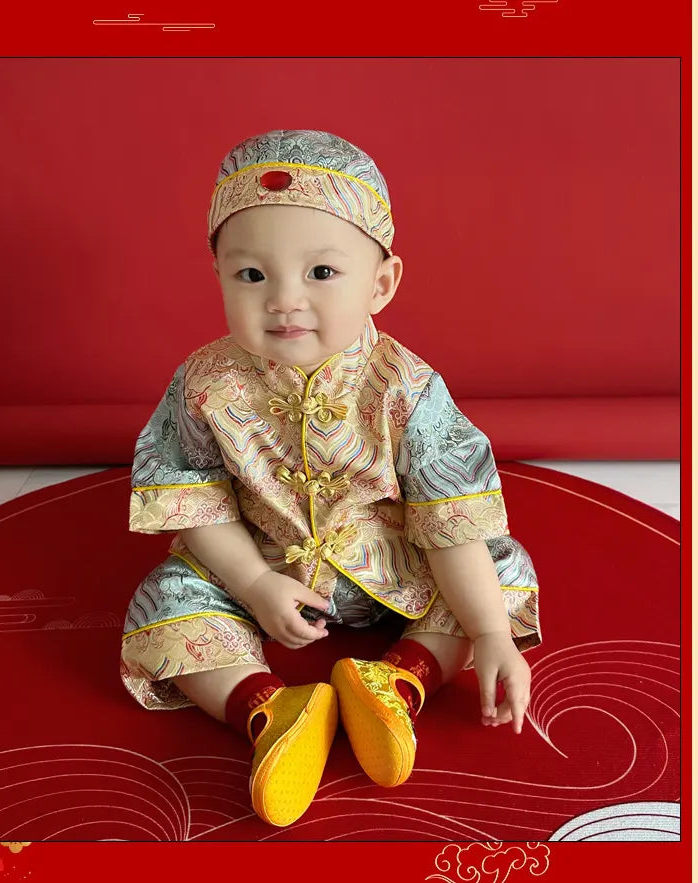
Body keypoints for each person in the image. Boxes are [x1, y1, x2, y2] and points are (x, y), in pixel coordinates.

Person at [120, 129, 541, 828]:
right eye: (251, 276)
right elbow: (191, 494)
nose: (284, 300)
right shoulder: (205, 382)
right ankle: (268, 705)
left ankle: (398, 678)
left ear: (381, 283)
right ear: (219, 274)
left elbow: (450, 517)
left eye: (321, 273)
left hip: (396, 564)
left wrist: (491, 634)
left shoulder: (406, 388)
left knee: (499, 570)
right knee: (164, 598)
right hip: (258, 562)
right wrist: (253, 583)